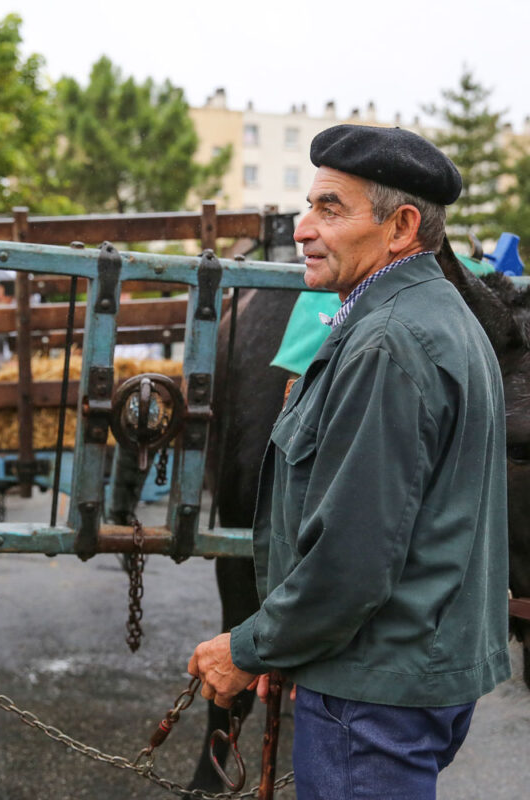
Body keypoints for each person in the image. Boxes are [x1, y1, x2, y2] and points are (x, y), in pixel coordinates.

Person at [188, 124, 510, 799]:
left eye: (329, 209)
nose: (304, 228)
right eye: (308, 206)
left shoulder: (388, 344)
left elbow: (352, 557)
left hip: (372, 694)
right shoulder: (435, 314)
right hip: (408, 674)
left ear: (402, 226)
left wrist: (249, 647)